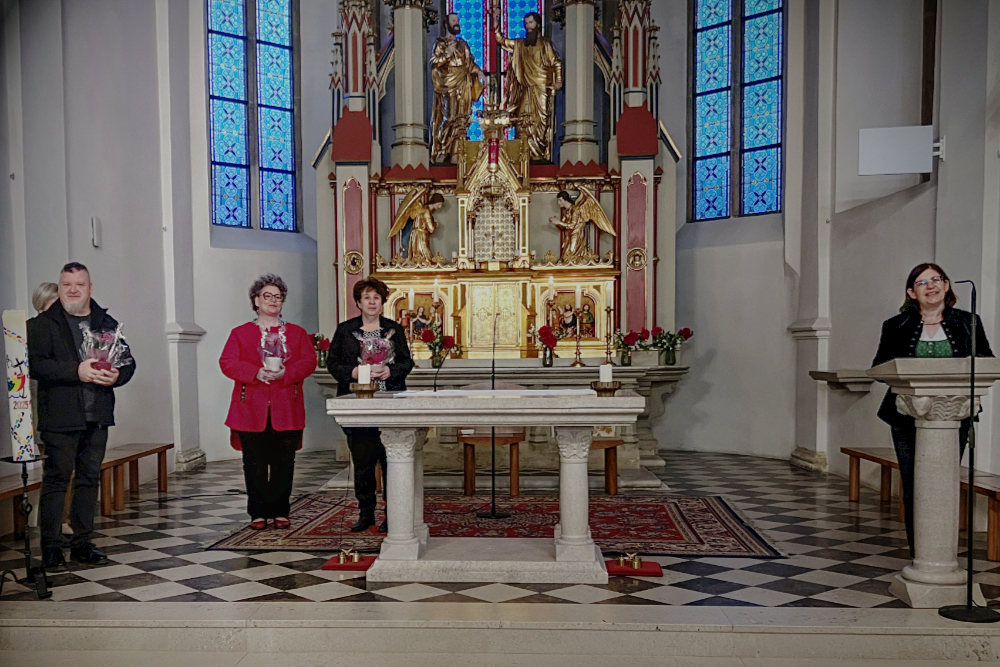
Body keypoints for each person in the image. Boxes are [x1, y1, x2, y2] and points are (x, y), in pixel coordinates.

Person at [872, 262, 994, 557]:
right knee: (914, 483)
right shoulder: (895, 325)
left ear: (947, 285)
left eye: (937, 279)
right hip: (906, 414)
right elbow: (880, 367)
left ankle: (942, 555)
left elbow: (986, 360)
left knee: (943, 482)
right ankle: (920, 554)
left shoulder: (968, 322)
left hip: (954, 413)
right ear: (911, 292)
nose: (931, 286)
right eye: (923, 282)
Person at [27, 263, 136, 570]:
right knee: (57, 480)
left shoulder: (106, 322)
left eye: (79, 284)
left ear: (90, 287)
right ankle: (51, 547)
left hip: (96, 414)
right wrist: (76, 371)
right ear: (60, 287)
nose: (73, 290)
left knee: (89, 479)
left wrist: (117, 376)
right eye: (67, 285)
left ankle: (82, 544)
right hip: (60, 415)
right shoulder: (42, 324)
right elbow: (35, 365)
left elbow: (128, 363)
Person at [220, 274, 317, 531]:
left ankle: (280, 511)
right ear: (256, 300)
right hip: (250, 408)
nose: (273, 300)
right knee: (255, 463)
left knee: (284, 463)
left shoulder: (296, 333)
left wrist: (287, 373)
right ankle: (258, 513)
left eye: (278, 297)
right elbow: (227, 362)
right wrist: (255, 373)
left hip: (287, 407)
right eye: (267, 296)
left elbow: (309, 361)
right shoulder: (240, 333)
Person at [327, 277, 414, 533]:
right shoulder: (345, 330)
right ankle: (365, 513)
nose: (372, 302)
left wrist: (390, 371)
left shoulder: (394, 329)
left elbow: (406, 362)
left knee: (391, 462)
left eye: (376, 297)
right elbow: (333, 364)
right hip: (359, 406)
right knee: (363, 463)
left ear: (383, 302)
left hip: (390, 406)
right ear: (358, 302)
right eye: (367, 297)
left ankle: (392, 513)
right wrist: (354, 373)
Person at [493, 10, 563, 161]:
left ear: (538, 24)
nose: (528, 27)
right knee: (522, 120)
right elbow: (501, 41)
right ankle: (523, 154)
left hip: (541, 89)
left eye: (531, 23)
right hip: (526, 89)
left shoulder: (545, 44)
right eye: (526, 24)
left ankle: (538, 155)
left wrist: (558, 81)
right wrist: (496, 23)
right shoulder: (520, 44)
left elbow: (556, 63)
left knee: (540, 123)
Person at [431, 12, 486, 164]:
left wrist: (479, 72)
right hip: (449, 84)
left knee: (463, 119)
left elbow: (470, 64)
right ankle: (442, 150)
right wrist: (447, 54)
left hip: (464, 84)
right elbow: (434, 63)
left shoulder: (463, 45)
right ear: (446, 24)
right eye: (453, 20)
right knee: (450, 118)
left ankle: (456, 152)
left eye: (457, 20)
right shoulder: (440, 44)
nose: (456, 23)